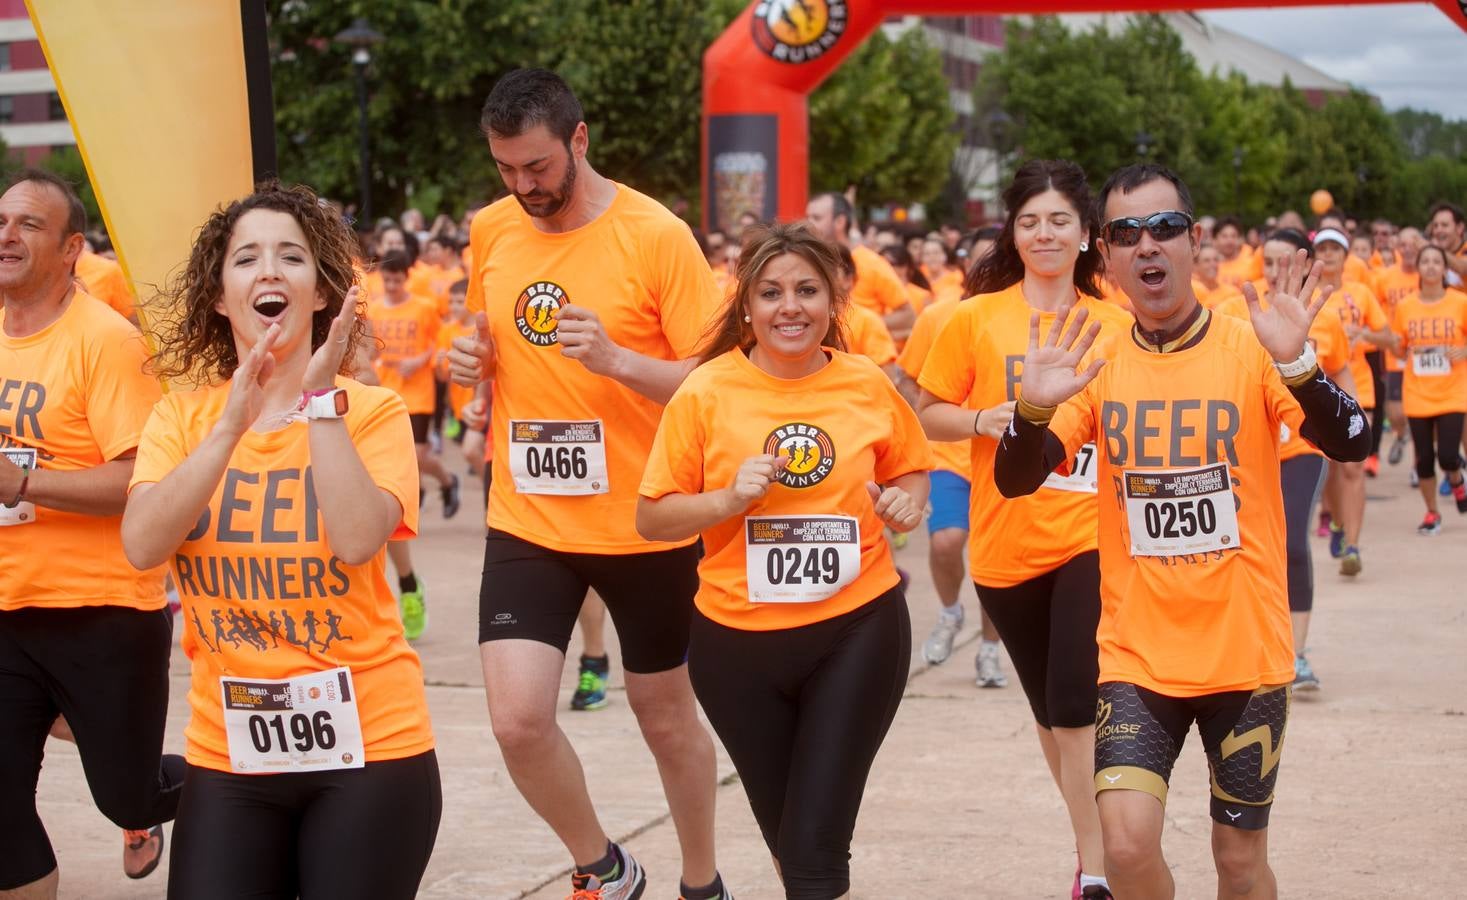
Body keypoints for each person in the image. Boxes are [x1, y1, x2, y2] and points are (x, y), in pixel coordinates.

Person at [994, 163, 1370, 900]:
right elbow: (1017, 478)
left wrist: (1296, 362)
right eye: (1125, 233)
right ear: (1103, 258)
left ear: (1194, 242)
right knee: (1126, 849)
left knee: (1236, 862)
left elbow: (1351, 441)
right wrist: (1030, 410)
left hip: (1246, 653)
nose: (1146, 245)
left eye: (1164, 227)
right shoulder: (1095, 361)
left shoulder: (1251, 345)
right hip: (1138, 655)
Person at [447, 68, 729, 900]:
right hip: (529, 516)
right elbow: (485, 342)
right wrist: (472, 374)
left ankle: (701, 880)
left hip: (646, 521)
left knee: (664, 718)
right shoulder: (491, 230)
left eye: (535, 167)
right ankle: (603, 865)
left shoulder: (656, 235)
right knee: (517, 721)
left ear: (579, 139)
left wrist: (617, 361)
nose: (521, 187)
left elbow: (718, 384)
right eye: (504, 169)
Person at [124, 182, 441, 899]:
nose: (269, 271)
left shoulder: (371, 411)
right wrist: (230, 426)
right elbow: (142, 546)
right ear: (218, 297)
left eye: (291, 257)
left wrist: (320, 403)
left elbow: (361, 539)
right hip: (231, 751)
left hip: (371, 749)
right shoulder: (180, 420)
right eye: (246, 259)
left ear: (322, 292)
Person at [637, 222, 931, 900]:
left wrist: (905, 506)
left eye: (806, 290)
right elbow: (651, 519)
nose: (788, 307)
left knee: (812, 850)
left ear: (833, 303)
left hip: (856, 629)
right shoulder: (706, 391)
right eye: (770, 293)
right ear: (746, 306)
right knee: (789, 844)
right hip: (735, 647)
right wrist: (724, 500)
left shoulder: (864, 382)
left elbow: (912, 472)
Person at [918, 159, 1132, 897]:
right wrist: (986, 418)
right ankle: (1089, 848)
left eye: (1059, 221)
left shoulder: (1116, 322)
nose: (1044, 233)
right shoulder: (970, 319)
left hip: (1090, 534)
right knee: (1050, 716)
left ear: (1085, 236)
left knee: (1075, 699)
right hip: (1006, 545)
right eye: (1030, 220)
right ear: (1013, 233)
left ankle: (1100, 870)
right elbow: (927, 411)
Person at [0, 169, 183, 898]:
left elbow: (144, 480)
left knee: (126, 796)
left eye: (28, 225)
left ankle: (244, 789)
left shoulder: (105, 342)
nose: (6, 235)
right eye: (0, 220)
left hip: (102, 613)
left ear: (73, 247)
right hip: (7, 608)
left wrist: (25, 483)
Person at [1216, 228, 1356, 692]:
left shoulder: (1326, 317)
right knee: (1238, 545)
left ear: (1305, 265)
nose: (1275, 271)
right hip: (1244, 449)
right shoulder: (1231, 315)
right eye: (1269, 261)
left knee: (1293, 542)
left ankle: (1296, 653)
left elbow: (1341, 376)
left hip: (1298, 446)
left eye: (1285, 261)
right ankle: (1243, 645)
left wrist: (1351, 428)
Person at [368, 251, 460, 642]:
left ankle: (407, 586)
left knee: (394, 494)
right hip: (370, 407)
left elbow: (436, 347)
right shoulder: (366, 312)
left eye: (395, 279)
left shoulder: (423, 308)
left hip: (412, 399)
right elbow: (366, 356)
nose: (390, 286)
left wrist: (417, 363)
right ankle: (378, 602)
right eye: (384, 280)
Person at [1314, 227, 1393, 575]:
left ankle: (1353, 546)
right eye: (1323, 248)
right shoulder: (1309, 295)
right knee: (1330, 466)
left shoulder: (1360, 293)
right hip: (1318, 389)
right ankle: (1335, 520)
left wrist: (1364, 334)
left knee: (1354, 464)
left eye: (1335, 248)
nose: (1329, 254)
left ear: (1347, 256)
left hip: (1357, 382)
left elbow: (1390, 338)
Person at [1389, 243, 1467, 533]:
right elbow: (1398, 347)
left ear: (1444, 268)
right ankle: (1432, 512)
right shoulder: (1406, 305)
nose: (1432, 266)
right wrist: (1399, 348)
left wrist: (1464, 351)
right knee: (1424, 459)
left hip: (1452, 391)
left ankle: (1457, 480)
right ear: (1418, 268)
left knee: (1447, 455)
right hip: (1418, 392)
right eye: (1426, 261)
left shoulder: (1459, 302)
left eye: (1438, 261)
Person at [805, 192, 915, 339]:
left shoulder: (870, 263)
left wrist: (860, 327)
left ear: (840, 222)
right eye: (808, 217)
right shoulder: (807, 262)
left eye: (816, 218)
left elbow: (908, 316)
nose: (808, 224)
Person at [1374, 227, 1426, 468]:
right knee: (1395, 411)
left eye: (1413, 243)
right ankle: (1401, 434)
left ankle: (1419, 464)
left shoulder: (1428, 274)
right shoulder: (1385, 277)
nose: (1407, 248)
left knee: (1423, 413)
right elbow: (1376, 310)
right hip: (1396, 350)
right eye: (1403, 244)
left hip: (1424, 350)